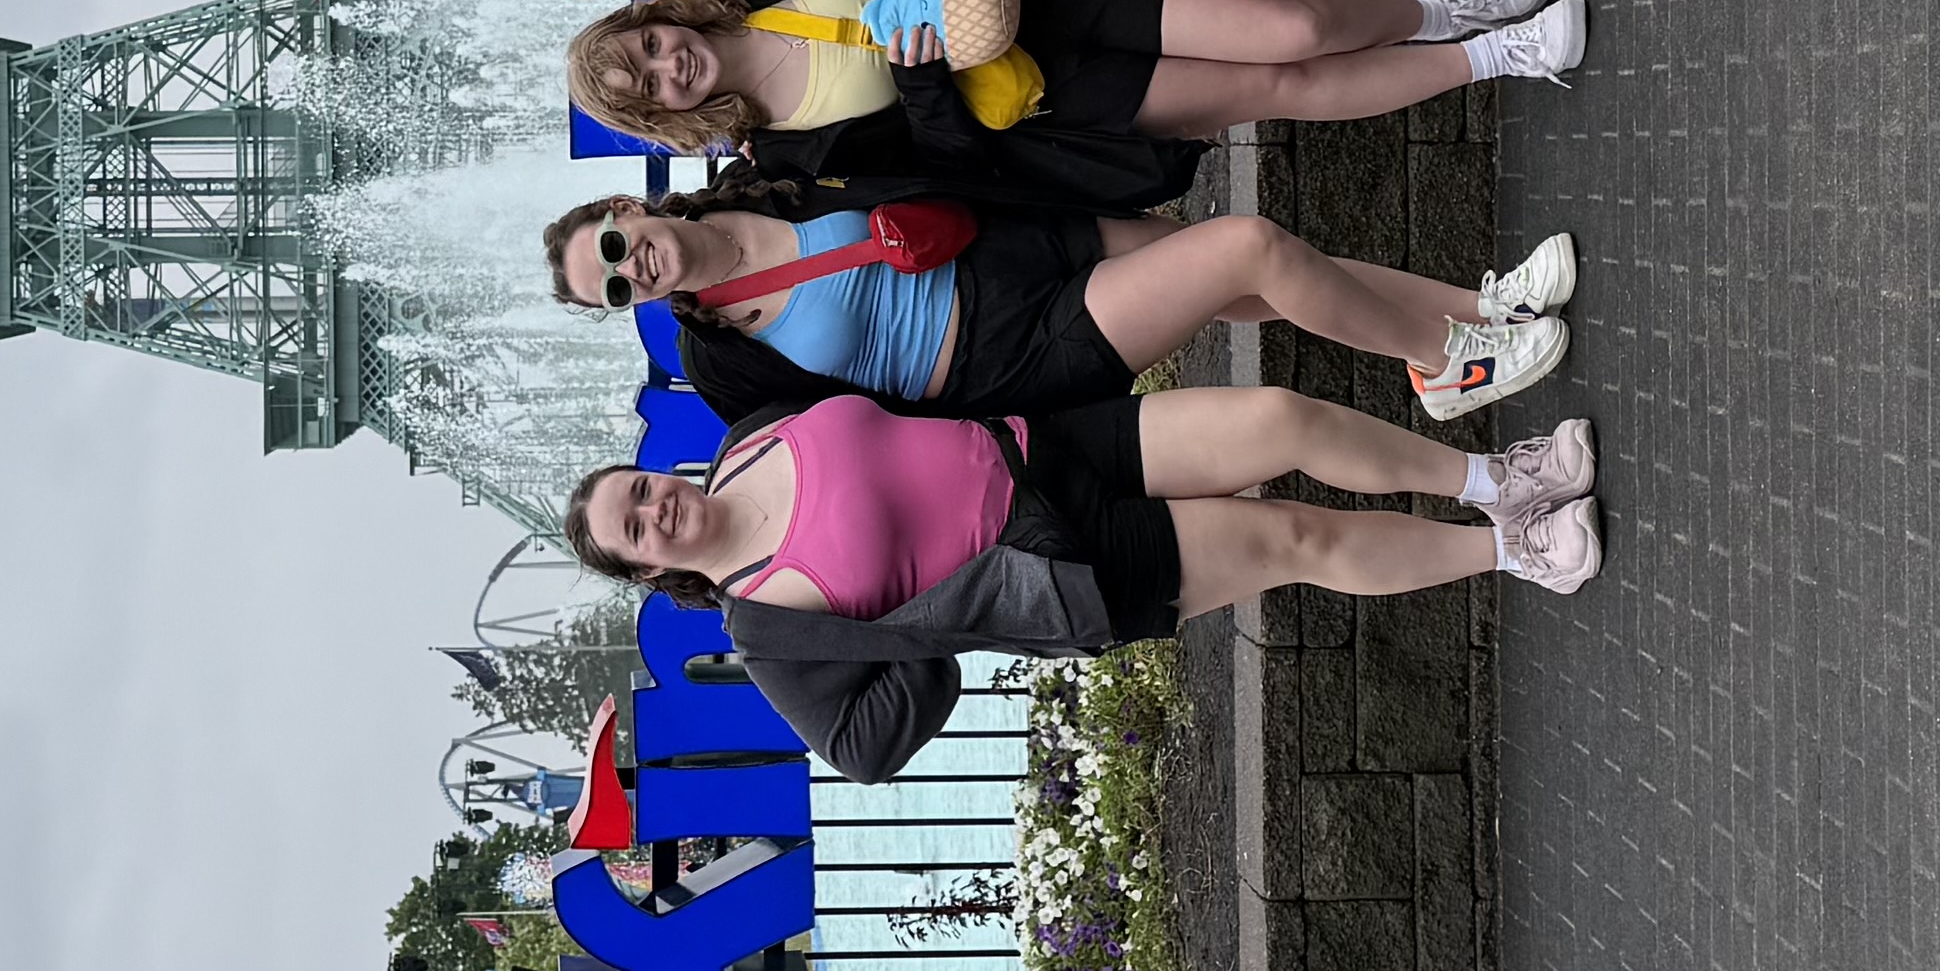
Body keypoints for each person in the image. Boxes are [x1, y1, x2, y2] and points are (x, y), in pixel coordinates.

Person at [562, 388, 1602, 781]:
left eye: (643, 487)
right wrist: (926, 647)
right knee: (1297, 536)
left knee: (1280, 419)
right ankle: (1520, 553)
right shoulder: (764, 624)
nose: (658, 506)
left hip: (1048, 445)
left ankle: (1503, 481)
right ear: (649, 569)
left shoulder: (747, 439)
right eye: (637, 527)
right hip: (1060, 569)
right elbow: (862, 747)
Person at [545, 182, 1583, 427]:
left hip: (1012, 242)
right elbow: (845, 440)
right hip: (1003, 353)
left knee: (1251, 282)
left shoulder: (766, 174)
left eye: (612, 247)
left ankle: (1478, 309)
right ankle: (1448, 364)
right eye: (619, 291)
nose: (637, 268)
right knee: (1251, 248)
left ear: (623, 207)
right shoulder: (726, 360)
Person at [558, 0, 1583, 200]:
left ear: (654, 18)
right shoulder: (781, 152)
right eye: (651, 91)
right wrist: (917, 83)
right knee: (1278, 84)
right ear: (666, 118)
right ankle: (1496, 56)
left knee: (1290, 21)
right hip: (1049, 102)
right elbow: (941, 165)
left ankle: (1442, 12)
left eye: (647, 47)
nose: (668, 68)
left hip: (1053, 0)